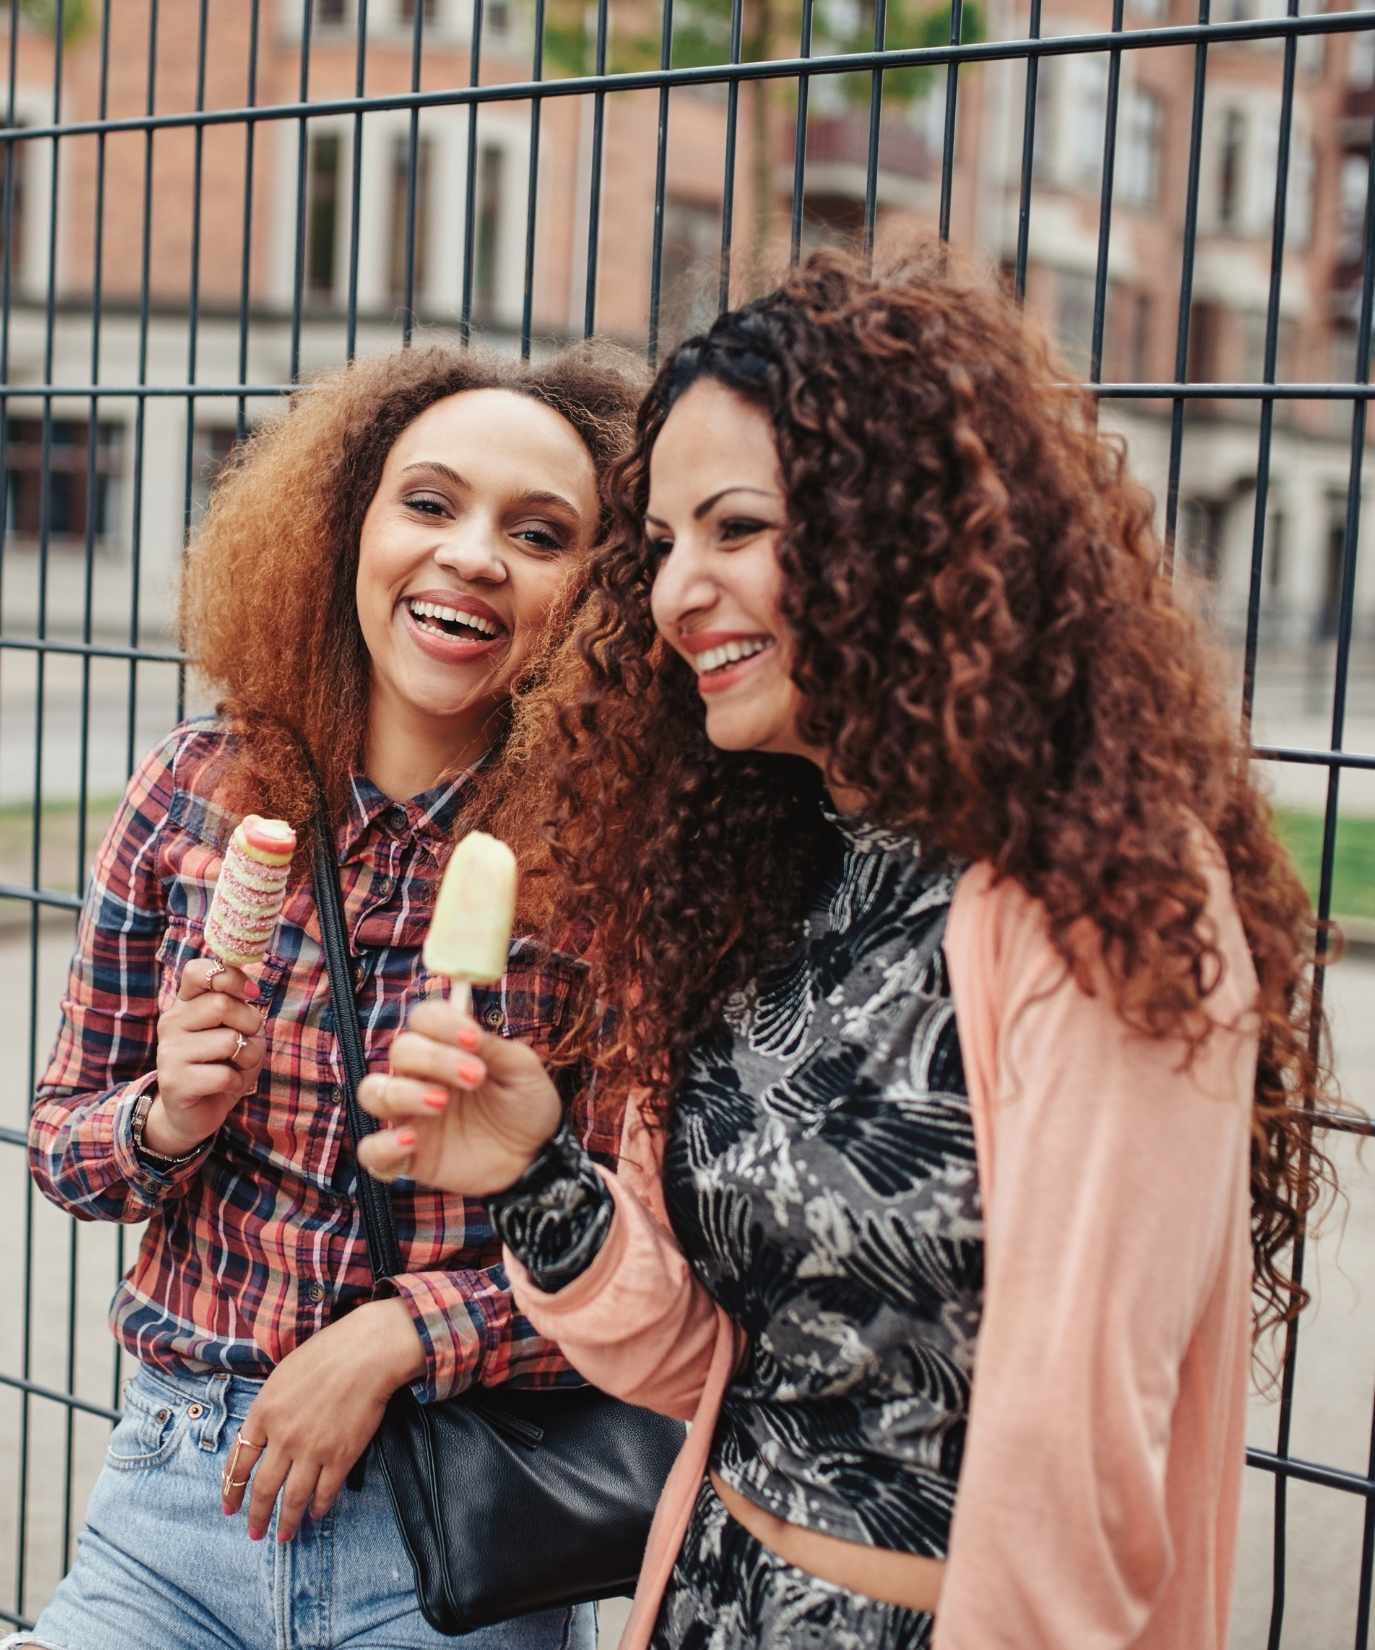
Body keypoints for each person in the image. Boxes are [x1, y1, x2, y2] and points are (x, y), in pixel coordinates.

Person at [356, 245, 1341, 1650]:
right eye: (662, 543)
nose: (676, 590)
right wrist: (536, 1177)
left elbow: (1080, 1489)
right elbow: (716, 1369)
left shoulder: (1093, 903)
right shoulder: (777, 882)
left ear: (907, 533)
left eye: (738, 528)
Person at [14, 340, 643, 1650]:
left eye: (538, 532)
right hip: (180, 1502)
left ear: (599, 593)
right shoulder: (192, 793)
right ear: (344, 526)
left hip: (456, 1527)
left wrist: (402, 1337)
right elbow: (69, 1150)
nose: (472, 553)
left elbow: (648, 1260)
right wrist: (164, 1117)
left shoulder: (618, 873)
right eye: (429, 502)